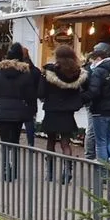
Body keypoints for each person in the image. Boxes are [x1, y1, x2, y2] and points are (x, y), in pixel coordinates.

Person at [0, 43, 39, 180]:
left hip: (2, 110)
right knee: (15, 140)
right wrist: (31, 110)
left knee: (4, 141)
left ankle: (5, 167)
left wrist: (2, 96)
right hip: (19, 110)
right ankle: (14, 170)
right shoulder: (25, 74)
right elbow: (31, 95)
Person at [38, 44, 88, 182]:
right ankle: (67, 171)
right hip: (67, 111)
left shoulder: (49, 72)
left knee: (50, 142)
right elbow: (85, 91)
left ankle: (50, 172)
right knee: (65, 144)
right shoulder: (78, 73)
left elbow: (41, 92)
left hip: (52, 110)